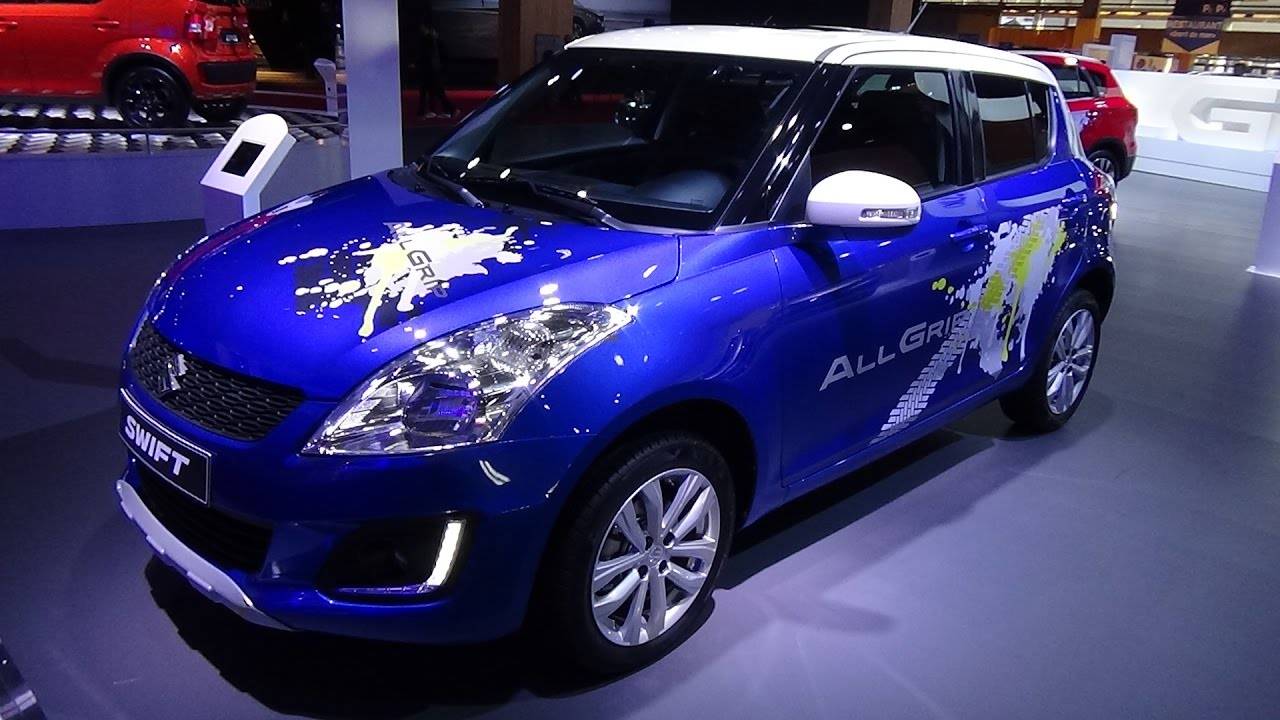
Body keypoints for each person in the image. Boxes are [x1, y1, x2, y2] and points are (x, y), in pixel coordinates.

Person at [416, 11, 456, 120]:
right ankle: (434, 110)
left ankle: (449, 110)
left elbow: (428, 55)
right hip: (432, 69)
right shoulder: (433, 39)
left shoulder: (429, 39)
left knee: (434, 91)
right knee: (433, 91)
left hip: (430, 69)